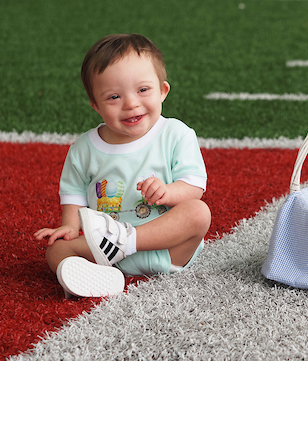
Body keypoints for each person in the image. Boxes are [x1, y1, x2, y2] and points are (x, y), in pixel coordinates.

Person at [34, 33, 211, 298]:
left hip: (167, 250)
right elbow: (73, 192)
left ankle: (124, 241)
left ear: (163, 91)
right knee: (56, 249)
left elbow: (194, 185)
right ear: (96, 105)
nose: (130, 104)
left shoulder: (176, 134)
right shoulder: (84, 148)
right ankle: (95, 277)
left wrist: (169, 193)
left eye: (143, 90)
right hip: (106, 255)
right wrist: (69, 227)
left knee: (198, 212)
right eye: (114, 97)